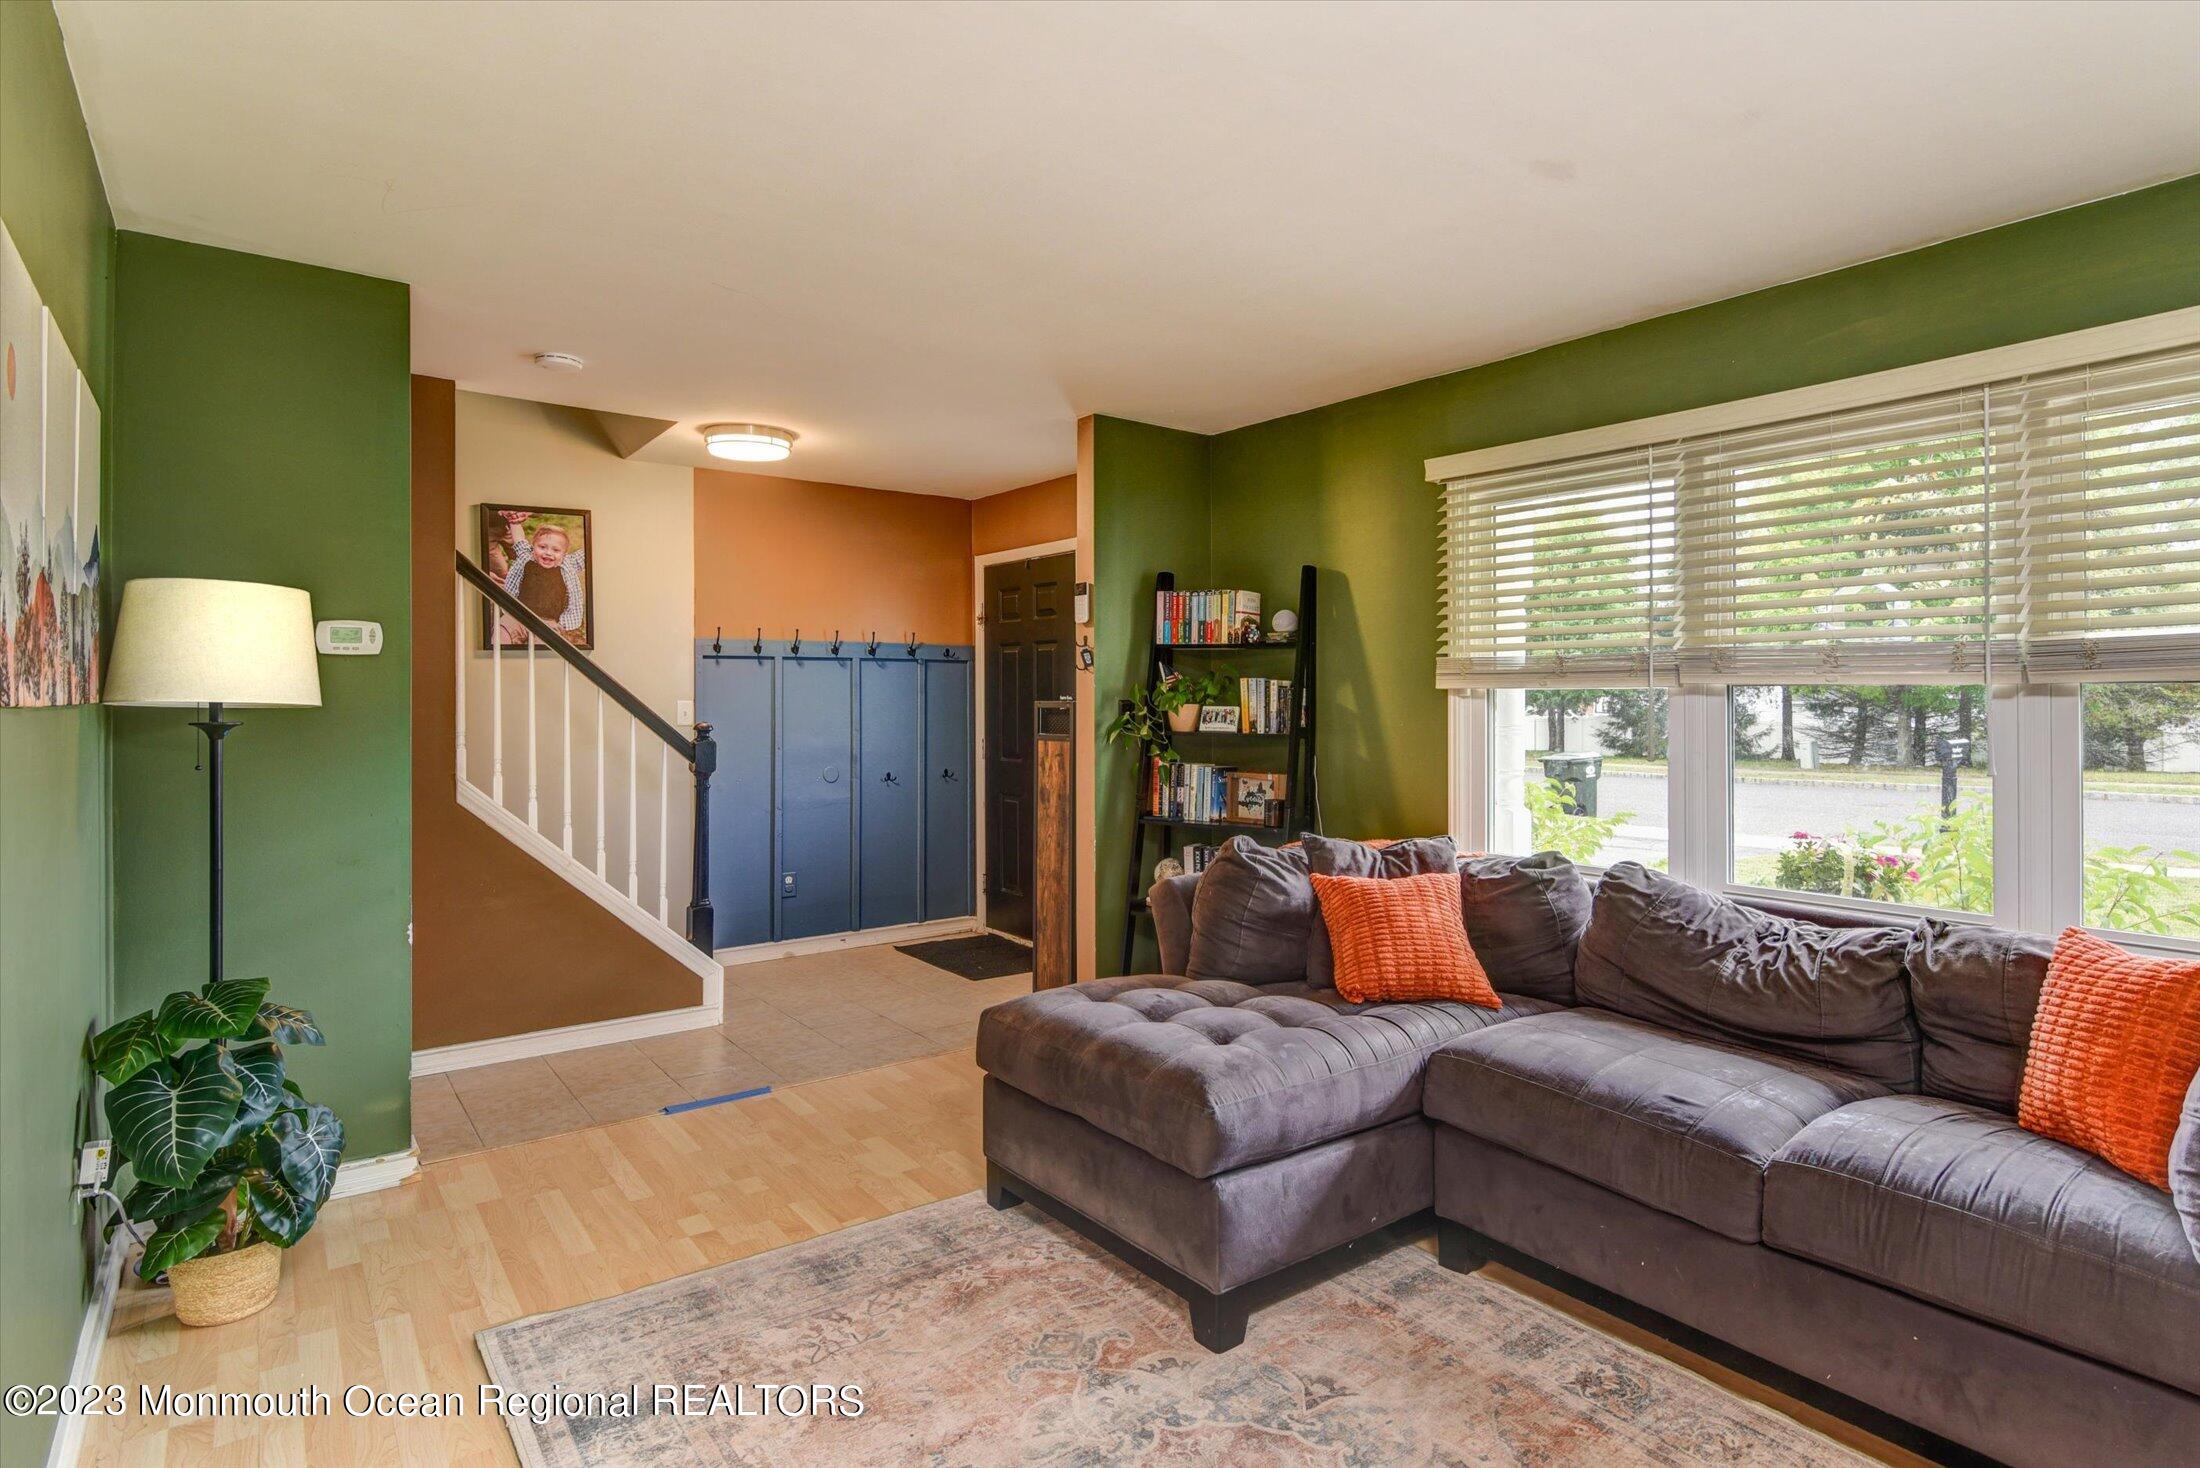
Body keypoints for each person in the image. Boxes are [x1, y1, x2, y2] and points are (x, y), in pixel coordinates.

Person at [496, 512, 587, 643]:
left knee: (545, 646)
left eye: (556, 550)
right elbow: (519, 540)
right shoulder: (526, 557)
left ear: (564, 554)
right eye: (542, 547)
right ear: (533, 547)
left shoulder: (568, 564)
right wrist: (514, 521)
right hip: (518, 615)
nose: (548, 553)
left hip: (548, 623)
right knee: (502, 631)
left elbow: (587, 554)